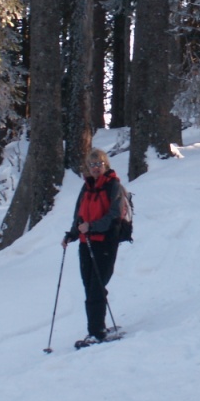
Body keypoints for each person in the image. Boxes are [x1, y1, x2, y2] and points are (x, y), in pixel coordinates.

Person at [62, 147, 123, 346]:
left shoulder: (113, 186)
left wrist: (92, 227)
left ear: (106, 165)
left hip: (105, 243)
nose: (96, 168)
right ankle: (98, 326)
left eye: (99, 164)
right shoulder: (86, 187)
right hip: (85, 243)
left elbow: (114, 216)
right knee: (90, 287)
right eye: (92, 165)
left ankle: (96, 331)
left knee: (96, 286)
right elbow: (79, 215)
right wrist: (72, 234)